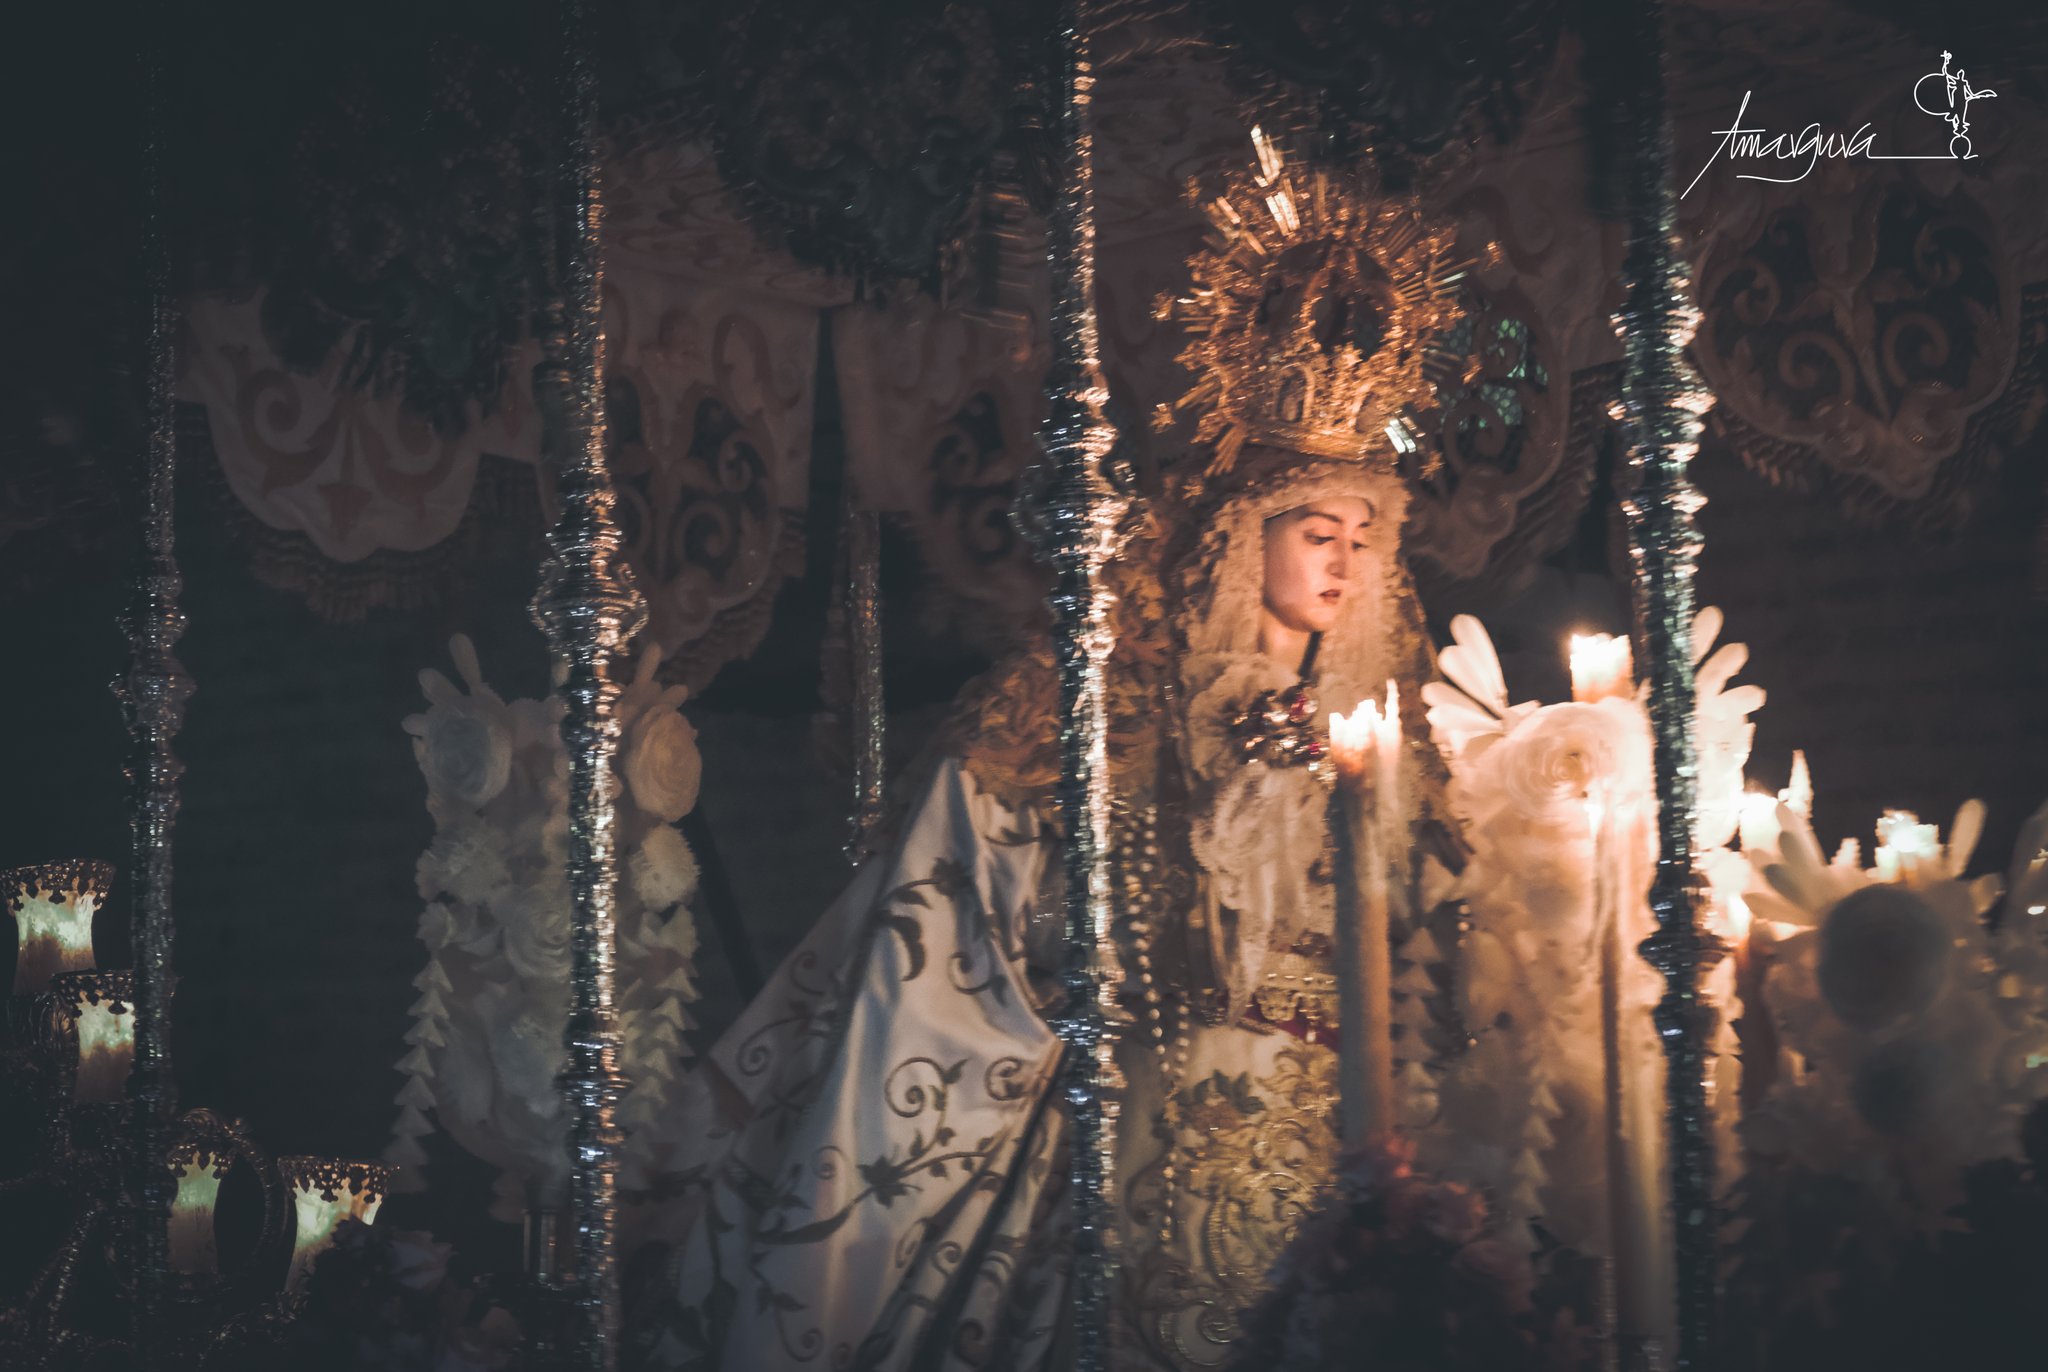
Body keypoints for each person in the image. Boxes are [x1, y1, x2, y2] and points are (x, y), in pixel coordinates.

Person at [631, 138, 1463, 1372]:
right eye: (1313, 530)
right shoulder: (1122, 707)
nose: (1341, 560)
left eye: (1361, 535)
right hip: (1161, 1106)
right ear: (1244, 536)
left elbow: (1432, 931)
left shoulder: (1391, 744)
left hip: (1341, 1120)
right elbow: (988, 879)